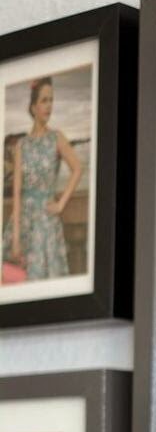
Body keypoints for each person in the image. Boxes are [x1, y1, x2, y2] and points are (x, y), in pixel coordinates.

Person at [2, 76, 82, 282]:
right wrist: (16, 238)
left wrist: (61, 204)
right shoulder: (22, 145)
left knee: (43, 279)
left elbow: (77, 168)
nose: (49, 106)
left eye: (51, 100)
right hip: (23, 221)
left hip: (46, 223)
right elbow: (17, 192)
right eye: (44, 100)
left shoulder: (56, 138)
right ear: (33, 107)